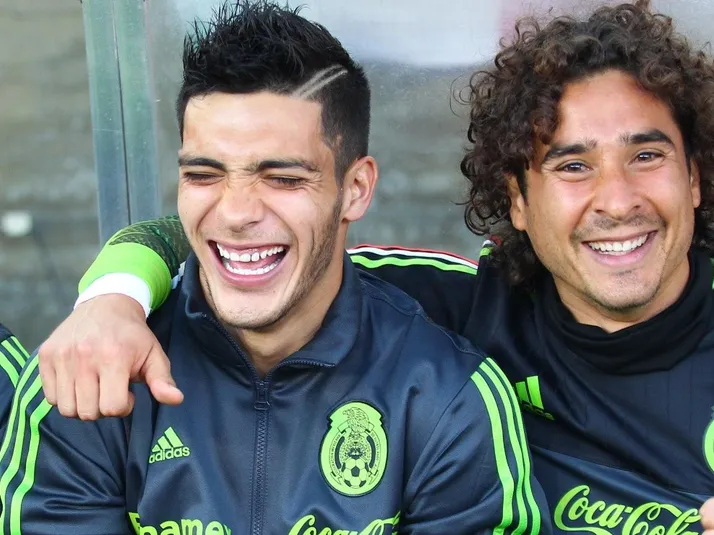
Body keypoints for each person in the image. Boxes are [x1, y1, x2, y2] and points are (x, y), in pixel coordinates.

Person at [36, 0, 714, 533]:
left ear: (694, 177)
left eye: (646, 156)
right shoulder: (459, 301)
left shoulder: (454, 387)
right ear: (517, 199)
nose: (616, 200)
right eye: (572, 165)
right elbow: (241, 247)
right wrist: (113, 300)